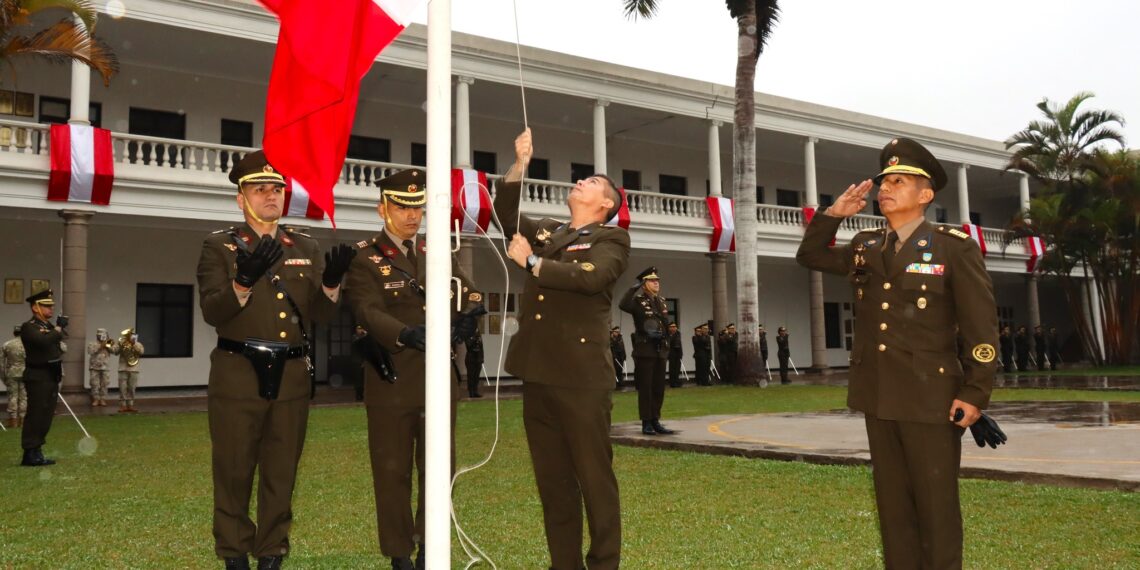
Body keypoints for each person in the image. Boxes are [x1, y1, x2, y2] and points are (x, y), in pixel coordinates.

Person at [796, 136, 998, 569]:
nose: (885, 188)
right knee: (893, 508)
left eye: (899, 181)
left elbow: (982, 328)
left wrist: (976, 393)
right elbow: (810, 255)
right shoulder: (866, 245)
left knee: (936, 507)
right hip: (879, 394)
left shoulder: (952, 246)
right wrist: (833, 215)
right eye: (884, 180)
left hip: (932, 399)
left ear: (925, 195)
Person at [196, 150, 350, 570]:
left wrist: (332, 286)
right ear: (240, 198)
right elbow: (213, 310)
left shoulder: (304, 245)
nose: (270, 197)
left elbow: (319, 315)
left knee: (281, 472)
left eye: (277, 189)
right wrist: (242, 281)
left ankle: (271, 552)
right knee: (234, 469)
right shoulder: (219, 245)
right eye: (259, 189)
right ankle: (233, 554)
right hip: (238, 375)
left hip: (291, 377)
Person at [496, 128, 628, 570]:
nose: (581, 182)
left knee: (594, 479)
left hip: (581, 379)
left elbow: (590, 277)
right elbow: (506, 215)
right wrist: (521, 163)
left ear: (605, 204)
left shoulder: (612, 240)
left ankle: (604, 563)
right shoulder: (551, 233)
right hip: (539, 374)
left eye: (591, 182)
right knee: (553, 483)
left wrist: (532, 263)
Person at [343, 168, 481, 570]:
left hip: (438, 382)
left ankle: (429, 545)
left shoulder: (436, 251)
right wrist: (406, 333)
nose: (412, 216)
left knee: (440, 470)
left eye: (417, 208)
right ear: (382, 207)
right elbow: (366, 309)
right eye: (403, 207)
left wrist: (470, 313)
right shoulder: (364, 256)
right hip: (393, 381)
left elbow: (466, 288)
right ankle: (399, 553)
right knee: (392, 472)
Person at [620, 267, 674, 435]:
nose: (656, 282)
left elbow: (665, 323)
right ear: (644, 284)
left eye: (657, 280)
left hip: (660, 350)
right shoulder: (637, 301)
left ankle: (656, 419)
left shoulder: (662, 301)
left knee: (658, 387)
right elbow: (623, 304)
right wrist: (633, 287)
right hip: (645, 349)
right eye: (651, 280)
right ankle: (646, 422)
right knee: (646, 387)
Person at [19, 289, 66, 467]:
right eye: (47, 306)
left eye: (51, 306)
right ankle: (29, 451)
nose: (51, 309)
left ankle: (37, 449)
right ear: (35, 308)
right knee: (36, 414)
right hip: (38, 375)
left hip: (50, 375)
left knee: (46, 414)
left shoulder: (47, 327)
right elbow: (44, 342)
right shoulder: (29, 327)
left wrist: (57, 329)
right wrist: (58, 329)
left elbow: (57, 345)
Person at [111, 328, 144, 413]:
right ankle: (123, 405)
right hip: (122, 368)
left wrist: (134, 344)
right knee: (122, 388)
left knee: (132, 388)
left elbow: (141, 352)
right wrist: (119, 345)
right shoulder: (122, 343)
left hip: (134, 369)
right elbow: (115, 352)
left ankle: (130, 405)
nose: (130, 337)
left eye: (131, 335)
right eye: (128, 336)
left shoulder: (138, 344)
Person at [2, 325, 27, 428]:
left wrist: (3, 375)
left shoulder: (7, 344)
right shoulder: (28, 345)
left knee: (13, 396)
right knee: (24, 397)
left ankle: (13, 420)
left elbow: (1, 362)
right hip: (25, 373)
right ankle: (23, 419)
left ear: (14, 333)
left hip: (11, 373)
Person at [86, 328, 114, 407]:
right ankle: (95, 399)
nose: (102, 336)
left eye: (103, 335)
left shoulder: (109, 342)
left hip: (105, 367)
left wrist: (108, 344)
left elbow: (115, 351)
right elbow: (90, 351)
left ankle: (102, 399)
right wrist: (101, 346)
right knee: (94, 384)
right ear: (97, 335)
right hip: (94, 367)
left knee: (105, 383)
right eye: (100, 335)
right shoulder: (92, 343)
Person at [465, 330, 485, 398]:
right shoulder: (468, 334)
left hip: (478, 359)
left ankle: (475, 391)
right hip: (471, 359)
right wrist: (474, 339)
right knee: (471, 376)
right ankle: (471, 392)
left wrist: (482, 358)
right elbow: (468, 345)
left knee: (476, 377)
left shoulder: (479, 335)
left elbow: (481, 347)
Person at [666, 322, 684, 387]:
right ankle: (672, 383)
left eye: (675, 327)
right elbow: (669, 342)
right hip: (671, 354)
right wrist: (672, 335)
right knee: (672, 369)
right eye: (672, 327)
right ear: (669, 328)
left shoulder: (678, 334)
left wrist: (681, 354)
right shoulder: (668, 335)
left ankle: (676, 381)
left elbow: (679, 344)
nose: (674, 328)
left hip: (678, 354)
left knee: (677, 369)